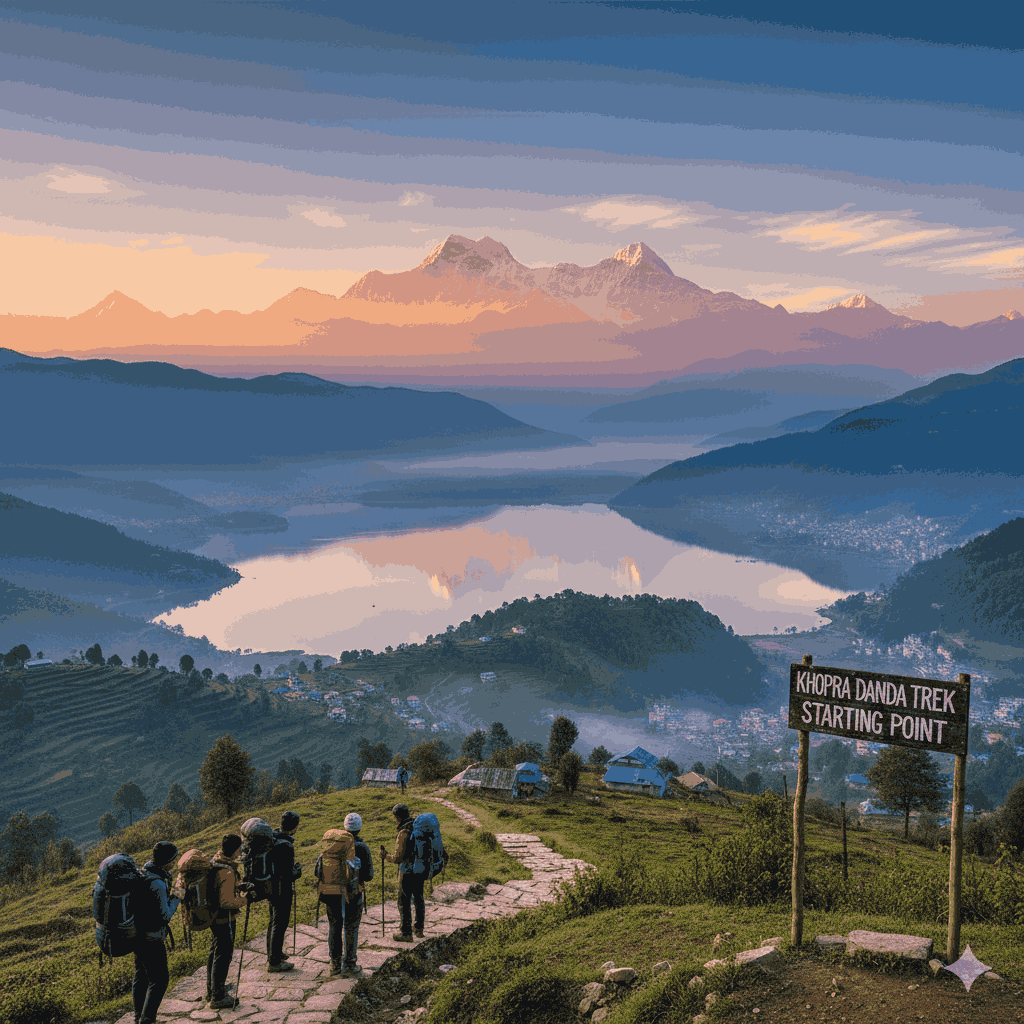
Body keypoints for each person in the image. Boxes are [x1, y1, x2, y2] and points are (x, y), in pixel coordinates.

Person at [134, 842, 181, 1024]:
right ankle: (147, 1020)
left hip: (136, 935)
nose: (175, 862)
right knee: (160, 980)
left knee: (141, 976)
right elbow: (164, 917)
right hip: (152, 938)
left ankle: (138, 1017)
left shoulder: (143, 873)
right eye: (174, 859)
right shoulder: (158, 883)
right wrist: (177, 897)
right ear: (168, 861)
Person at [207, 835, 251, 1008]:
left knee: (214, 952)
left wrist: (238, 886)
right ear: (236, 849)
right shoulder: (227, 871)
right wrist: (244, 900)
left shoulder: (217, 862)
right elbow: (226, 902)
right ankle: (218, 997)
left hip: (214, 917)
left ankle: (212, 989)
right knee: (223, 955)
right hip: (224, 918)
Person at [319, 813, 364, 976]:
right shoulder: (361, 847)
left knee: (334, 926)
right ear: (359, 828)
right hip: (352, 892)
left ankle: (335, 964)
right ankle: (350, 964)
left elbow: (319, 870)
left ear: (345, 827)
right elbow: (369, 875)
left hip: (330, 891)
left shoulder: (331, 844)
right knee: (351, 927)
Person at [380, 803, 422, 942]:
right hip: (420, 868)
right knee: (418, 898)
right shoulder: (417, 826)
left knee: (403, 901)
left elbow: (398, 858)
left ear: (397, 817)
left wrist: (386, 856)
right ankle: (419, 927)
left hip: (407, 871)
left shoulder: (404, 832)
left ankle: (406, 932)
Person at [267, 810, 301, 971]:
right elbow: (288, 874)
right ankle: (274, 962)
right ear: (294, 827)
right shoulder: (286, 845)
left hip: (270, 886)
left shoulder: (273, 837)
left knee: (273, 921)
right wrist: (297, 871)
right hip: (282, 890)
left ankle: (274, 953)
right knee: (280, 924)